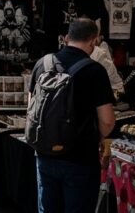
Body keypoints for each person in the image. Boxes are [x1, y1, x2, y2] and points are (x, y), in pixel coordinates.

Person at [28, 18, 116, 213]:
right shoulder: (95, 70)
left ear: (67, 38)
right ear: (94, 41)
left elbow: (31, 109)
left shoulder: (42, 64)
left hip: (45, 154)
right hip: (81, 158)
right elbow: (107, 120)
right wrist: (99, 138)